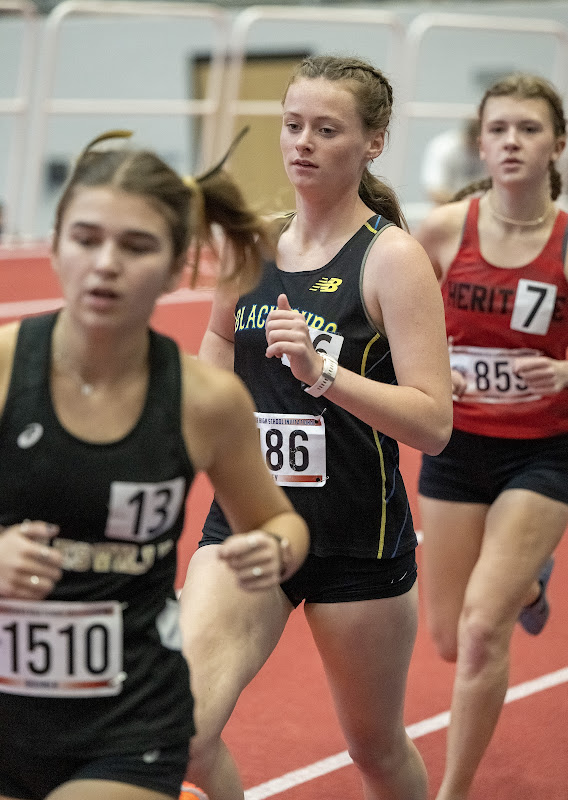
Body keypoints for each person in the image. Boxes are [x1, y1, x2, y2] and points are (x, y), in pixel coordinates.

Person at [0, 130, 309, 800]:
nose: (105, 263)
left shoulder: (206, 401)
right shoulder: (3, 371)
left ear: (177, 269)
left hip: (130, 721)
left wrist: (275, 549)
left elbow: (280, 523)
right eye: (86, 238)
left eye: (136, 246)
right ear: (55, 247)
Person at [179, 55, 453, 800]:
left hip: (356, 541)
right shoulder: (250, 248)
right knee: (181, 730)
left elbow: (433, 425)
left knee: (376, 752)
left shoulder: (393, 259)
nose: (301, 142)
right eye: (292, 125)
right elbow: (214, 360)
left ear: (373, 142)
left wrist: (324, 376)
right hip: (250, 527)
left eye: (326, 129)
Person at [414, 73, 568, 800]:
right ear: (480, 144)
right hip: (454, 451)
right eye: (499, 128)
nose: (512, 141)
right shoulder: (444, 233)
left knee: (483, 630)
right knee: (446, 638)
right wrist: (426, 374)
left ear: (557, 146)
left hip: (539, 457)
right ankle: (531, 579)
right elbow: (387, 325)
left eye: (529, 129)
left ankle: (451, 792)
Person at [420, 118, 486, 207]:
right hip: (447, 209)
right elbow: (435, 193)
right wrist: (470, 205)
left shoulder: (491, 150)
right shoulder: (443, 148)